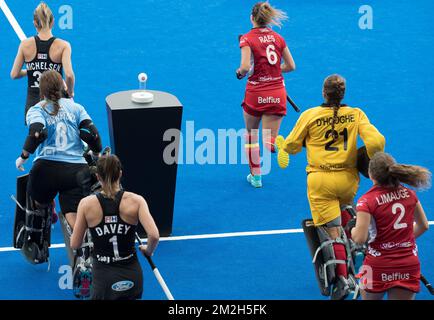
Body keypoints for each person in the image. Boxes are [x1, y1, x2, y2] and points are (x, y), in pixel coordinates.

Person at [280, 74, 385, 298]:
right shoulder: (356, 114)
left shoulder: (310, 115)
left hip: (321, 180)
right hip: (348, 180)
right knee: (344, 207)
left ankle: (342, 280)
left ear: (323, 93)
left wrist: (285, 148)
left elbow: (292, 145)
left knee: (331, 231)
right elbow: (377, 141)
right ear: (342, 94)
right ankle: (357, 246)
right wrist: (372, 158)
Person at [15, 70, 102, 264]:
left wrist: (23, 156)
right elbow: (92, 134)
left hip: (46, 170)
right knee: (73, 215)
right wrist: (96, 154)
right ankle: (86, 255)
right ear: (63, 86)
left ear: (42, 91)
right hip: (76, 172)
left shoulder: (37, 109)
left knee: (37, 200)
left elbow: (37, 132)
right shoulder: (77, 107)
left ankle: (37, 241)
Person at [71, 154, 160, 300]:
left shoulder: (86, 204)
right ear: (120, 174)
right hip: (132, 276)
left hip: (103, 279)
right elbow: (154, 235)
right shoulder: (137, 201)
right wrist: (148, 251)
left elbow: (75, 243)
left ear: (98, 177)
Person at [350, 152, 430, 300]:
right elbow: (424, 225)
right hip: (408, 264)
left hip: (377, 265)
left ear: (370, 174)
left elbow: (359, 239)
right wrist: (400, 241)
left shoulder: (366, 201)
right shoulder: (409, 194)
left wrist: (352, 229)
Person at [237, 1, 296, 188]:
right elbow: (291, 66)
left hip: (255, 93)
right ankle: (275, 144)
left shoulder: (246, 39)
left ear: (252, 18)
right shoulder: (278, 38)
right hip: (277, 92)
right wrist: (274, 70)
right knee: (268, 136)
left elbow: (245, 67)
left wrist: (239, 72)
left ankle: (256, 177)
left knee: (251, 134)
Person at [10, 1, 75, 123]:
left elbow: (14, 74)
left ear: (34, 23)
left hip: (33, 105)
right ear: (53, 22)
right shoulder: (63, 46)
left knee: (36, 139)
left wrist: (28, 70)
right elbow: (70, 76)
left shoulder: (25, 45)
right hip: (56, 103)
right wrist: (70, 92)